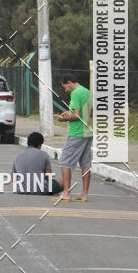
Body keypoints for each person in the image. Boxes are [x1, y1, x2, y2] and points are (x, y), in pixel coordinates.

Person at [56, 73, 93, 201]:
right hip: (88, 132)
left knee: (65, 162)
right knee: (85, 164)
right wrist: (69, 113)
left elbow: (76, 116)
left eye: (65, 87)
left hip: (76, 133)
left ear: (69, 82)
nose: (66, 90)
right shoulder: (87, 91)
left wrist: (64, 118)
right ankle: (84, 195)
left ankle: (66, 193)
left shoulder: (76, 93)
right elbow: (90, 112)